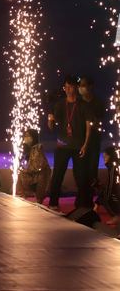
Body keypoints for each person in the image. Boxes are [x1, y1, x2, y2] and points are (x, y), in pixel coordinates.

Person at [47, 75, 93, 210]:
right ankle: (53, 203)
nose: (67, 89)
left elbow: (88, 126)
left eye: (70, 87)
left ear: (76, 88)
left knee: (81, 177)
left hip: (78, 146)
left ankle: (82, 206)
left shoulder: (83, 105)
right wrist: (50, 120)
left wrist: (85, 145)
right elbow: (51, 127)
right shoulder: (60, 105)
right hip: (62, 146)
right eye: (65, 87)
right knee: (57, 175)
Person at [78, 76, 105, 187]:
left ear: (91, 86)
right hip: (79, 140)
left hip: (94, 140)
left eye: (84, 85)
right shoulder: (78, 102)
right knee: (81, 170)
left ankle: (92, 191)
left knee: (92, 168)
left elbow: (100, 121)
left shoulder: (98, 103)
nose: (81, 88)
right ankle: (83, 192)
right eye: (80, 85)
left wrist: (92, 121)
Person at [16, 128, 51, 203]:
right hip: (31, 173)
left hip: (40, 173)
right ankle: (20, 196)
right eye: (25, 136)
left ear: (33, 137)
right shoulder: (24, 149)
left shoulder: (38, 148)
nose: (26, 138)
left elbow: (38, 165)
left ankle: (39, 199)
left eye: (28, 136)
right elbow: (21, 163)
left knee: (41, 175)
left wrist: (27, 170)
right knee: (18, 173)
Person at [94, 146, 120, 225]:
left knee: (106, 195)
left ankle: (117, 216)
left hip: (117, 194)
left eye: (105, 156)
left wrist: (106, 196)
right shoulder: (114, 165)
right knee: (103, 192)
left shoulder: (113, 167)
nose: (104, 159)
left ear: (110, 156)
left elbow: (111, 185)